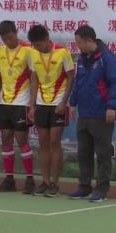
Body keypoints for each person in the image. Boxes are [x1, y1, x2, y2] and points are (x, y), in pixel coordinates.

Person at [69, 25, 116, 202]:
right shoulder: (81, 59)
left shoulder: (106, 58)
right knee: (83, 152)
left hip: (101, 113)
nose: (77, 46)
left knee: (102, 153)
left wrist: (111, 106)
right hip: (84, 112)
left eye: (79, 43)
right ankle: (84, 187)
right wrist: (72, 104)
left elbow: (115, 84)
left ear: (89, 41)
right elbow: (78, 82)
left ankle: (101, 189)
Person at [26, 25, 75, 197]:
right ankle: (45, 182)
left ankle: (55, 182)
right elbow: (34, 79)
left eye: (39, 44)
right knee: (43, 143)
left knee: (55, 142)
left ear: (47, 39)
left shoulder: (62, 52)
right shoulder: (33, 54)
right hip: (41, 103)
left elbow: (71, 77)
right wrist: (32, 105)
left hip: (58, 104)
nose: (37, 47)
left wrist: (64, 102)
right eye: (34, 45)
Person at [0, 20, 38, 194]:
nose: (7, 41)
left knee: (22, 140)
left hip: (22, 102)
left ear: (16, 32)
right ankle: (9, 179)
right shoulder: (0, 52)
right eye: (4, 38)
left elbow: (34, 78)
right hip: (4, 103)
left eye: (10, 37)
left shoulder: (28, 51)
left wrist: (32, 103)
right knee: (5, 139)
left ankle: (30, 180)